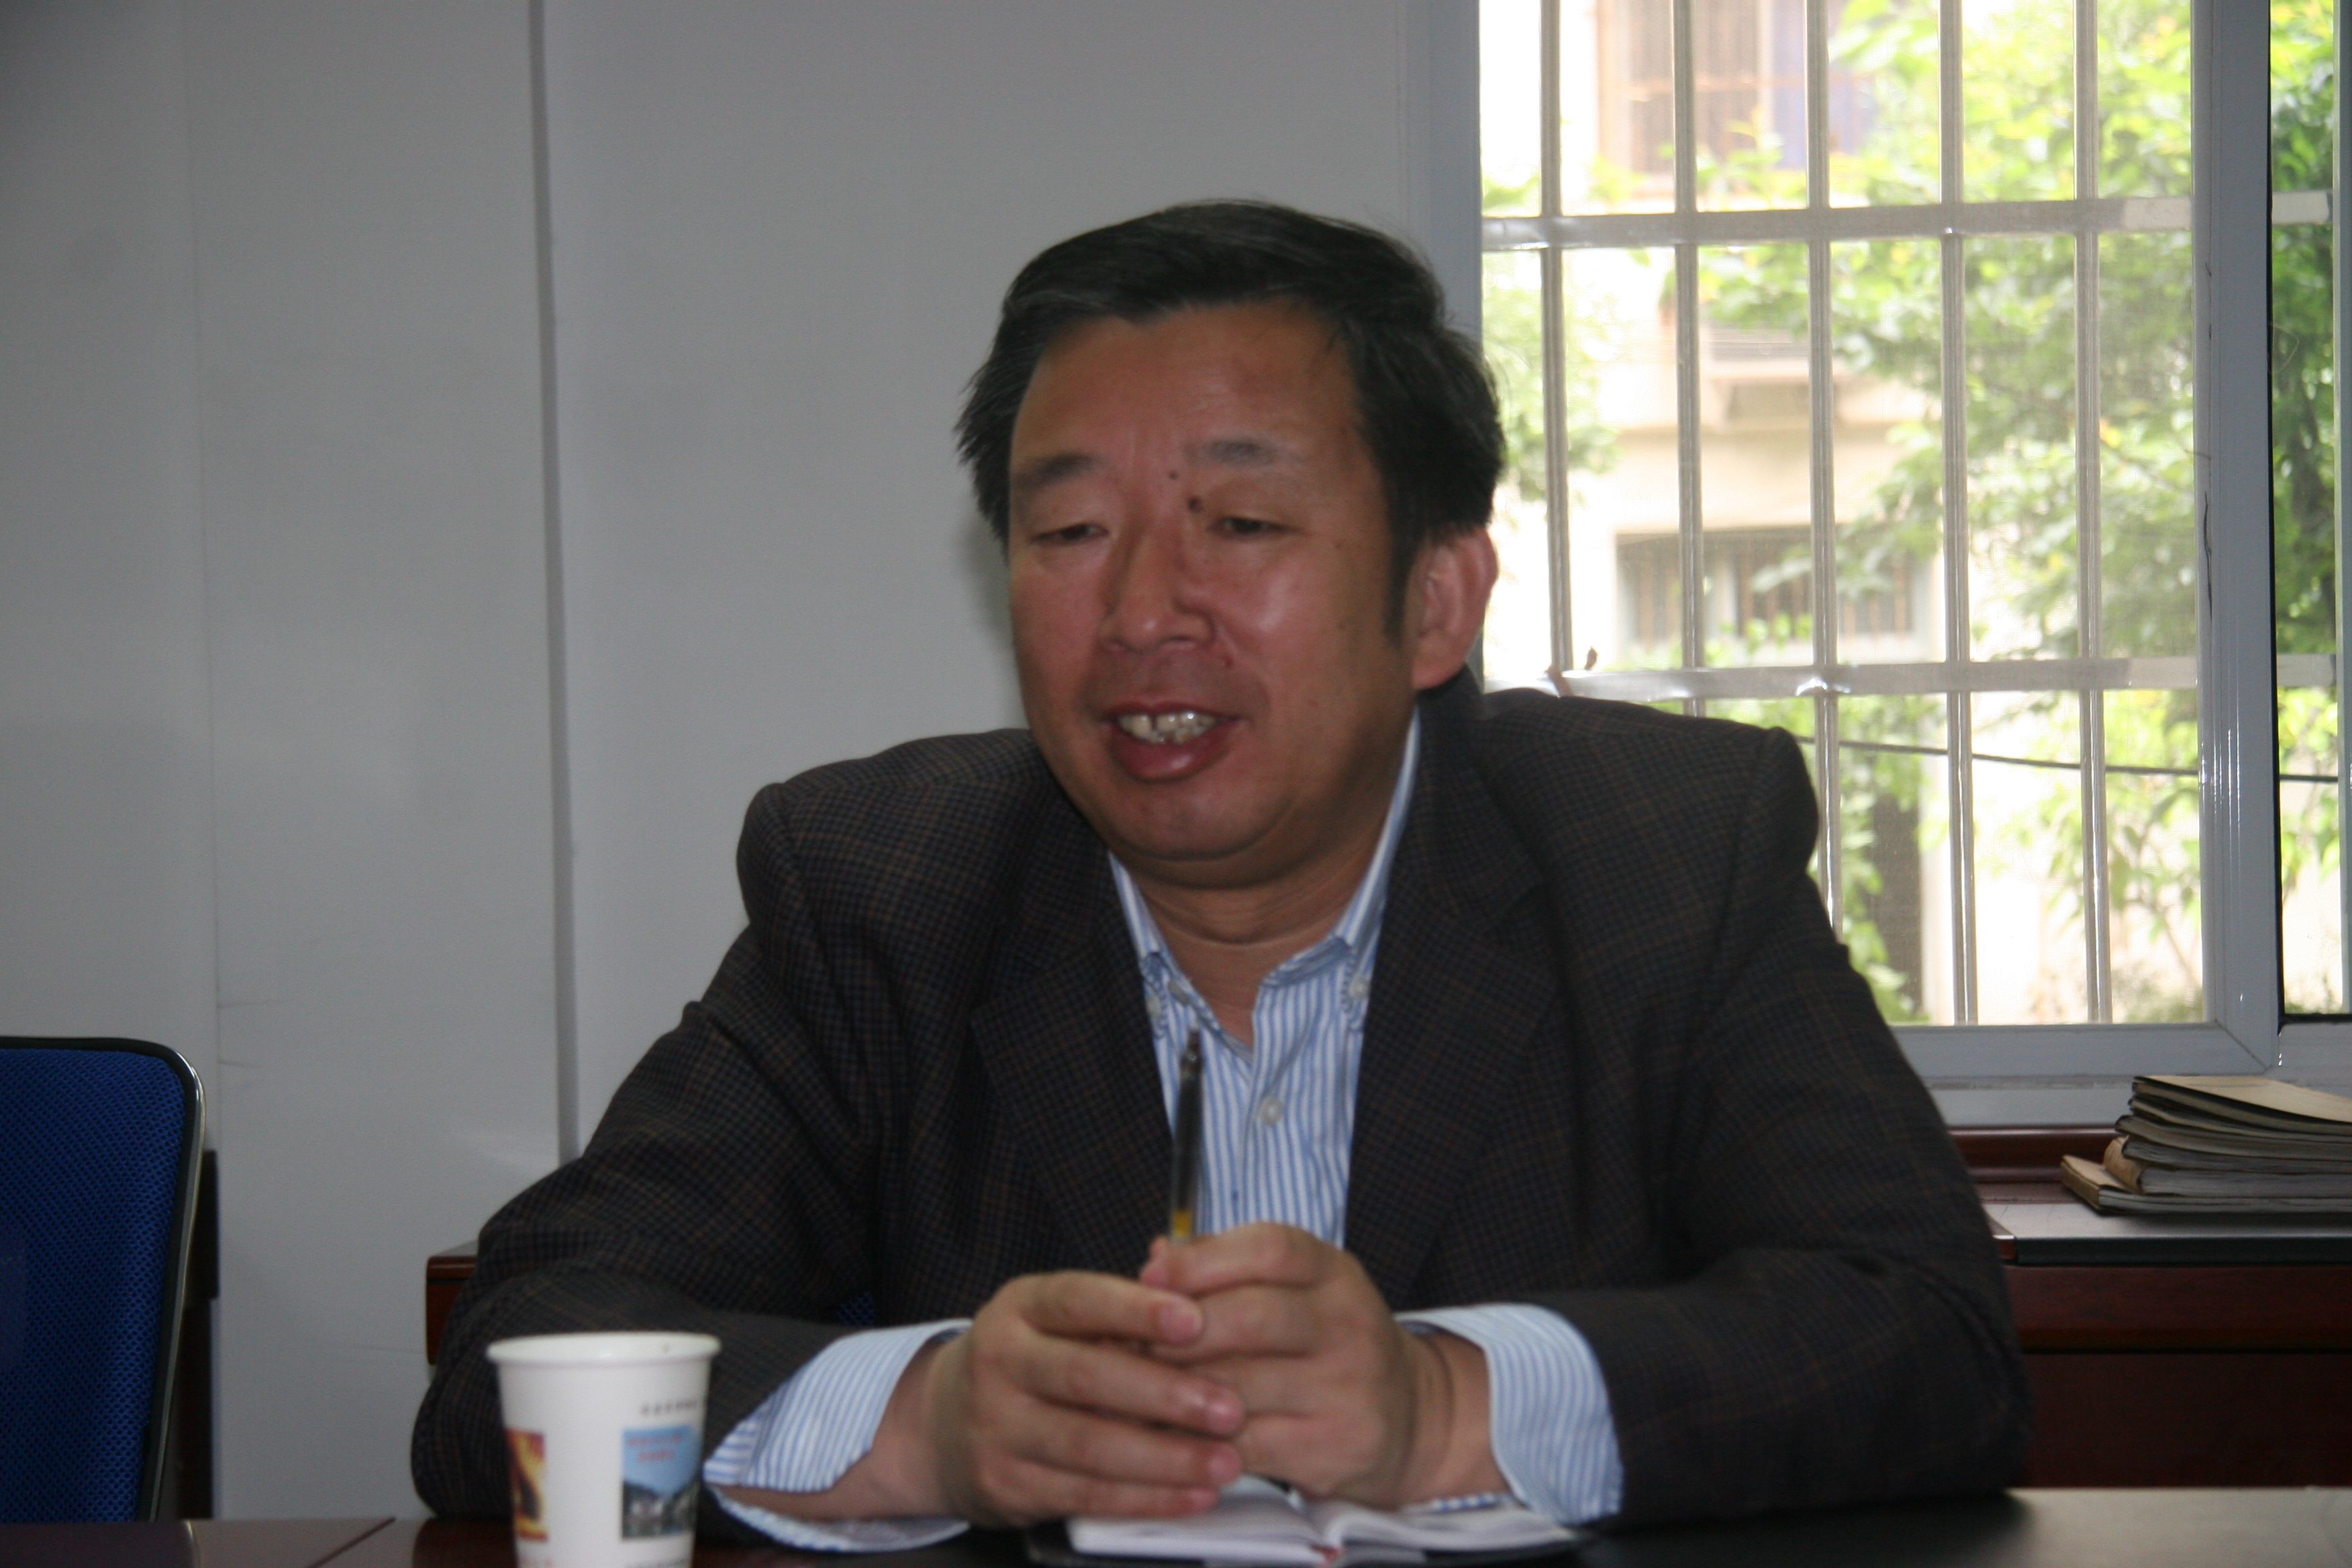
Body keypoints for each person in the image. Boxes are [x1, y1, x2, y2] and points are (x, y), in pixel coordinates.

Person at [411, 201, 2029, 1545]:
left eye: (1241, 522)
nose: (1140, 611)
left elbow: (1930, 1338)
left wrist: (1439, 1407)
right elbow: (515, 1361)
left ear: (1437, 603)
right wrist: (928, 1422)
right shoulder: (885, 891)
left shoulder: (1661, 853)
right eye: (1070, 535)